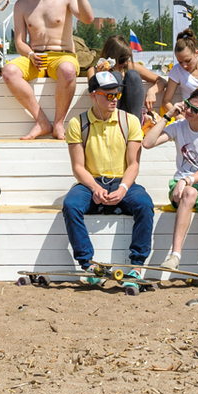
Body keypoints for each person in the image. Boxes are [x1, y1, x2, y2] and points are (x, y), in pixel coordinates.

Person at [61, 70, 152, 287]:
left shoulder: (129, 120)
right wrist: (94, 187)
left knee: (145, 204)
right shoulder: (77, 123)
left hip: (122, 180)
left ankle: (137, 266)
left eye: (117, 94)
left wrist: (123, 188)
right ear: (94, 96)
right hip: (90, 181)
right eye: (109, 95)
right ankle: (89, 265)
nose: (115, 99)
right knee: (70, 205)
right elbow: (78, 167)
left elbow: (134, 164)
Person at [141, 86, 198, 287]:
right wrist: (168, 116)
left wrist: (187, 180)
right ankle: (175, 255)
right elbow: (147, 143)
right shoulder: (179, 126)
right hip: (182, 187)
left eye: (195, 109)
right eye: (188, 105)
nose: (188, 111)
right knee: (189, 192)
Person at [2, 0, 94, 139]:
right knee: (9, 71)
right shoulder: (21, 4)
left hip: (62, 55)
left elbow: (88, 19)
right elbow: (19, 42)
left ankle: (58, 123)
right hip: (34, 57)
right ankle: (42, 121)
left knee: (68, 70)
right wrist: (30, 54)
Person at [99, 37, 162, 119]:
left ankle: (135, 124)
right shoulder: (95, 70)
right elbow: (94, 95)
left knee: (133, 75)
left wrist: (152, 91)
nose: (125, 63)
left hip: (132, 116)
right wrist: (101, 75)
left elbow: (162, 81)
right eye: (122, 60)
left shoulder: (131, 66)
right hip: (109, 117)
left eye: (127, 58)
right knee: (116, 76)